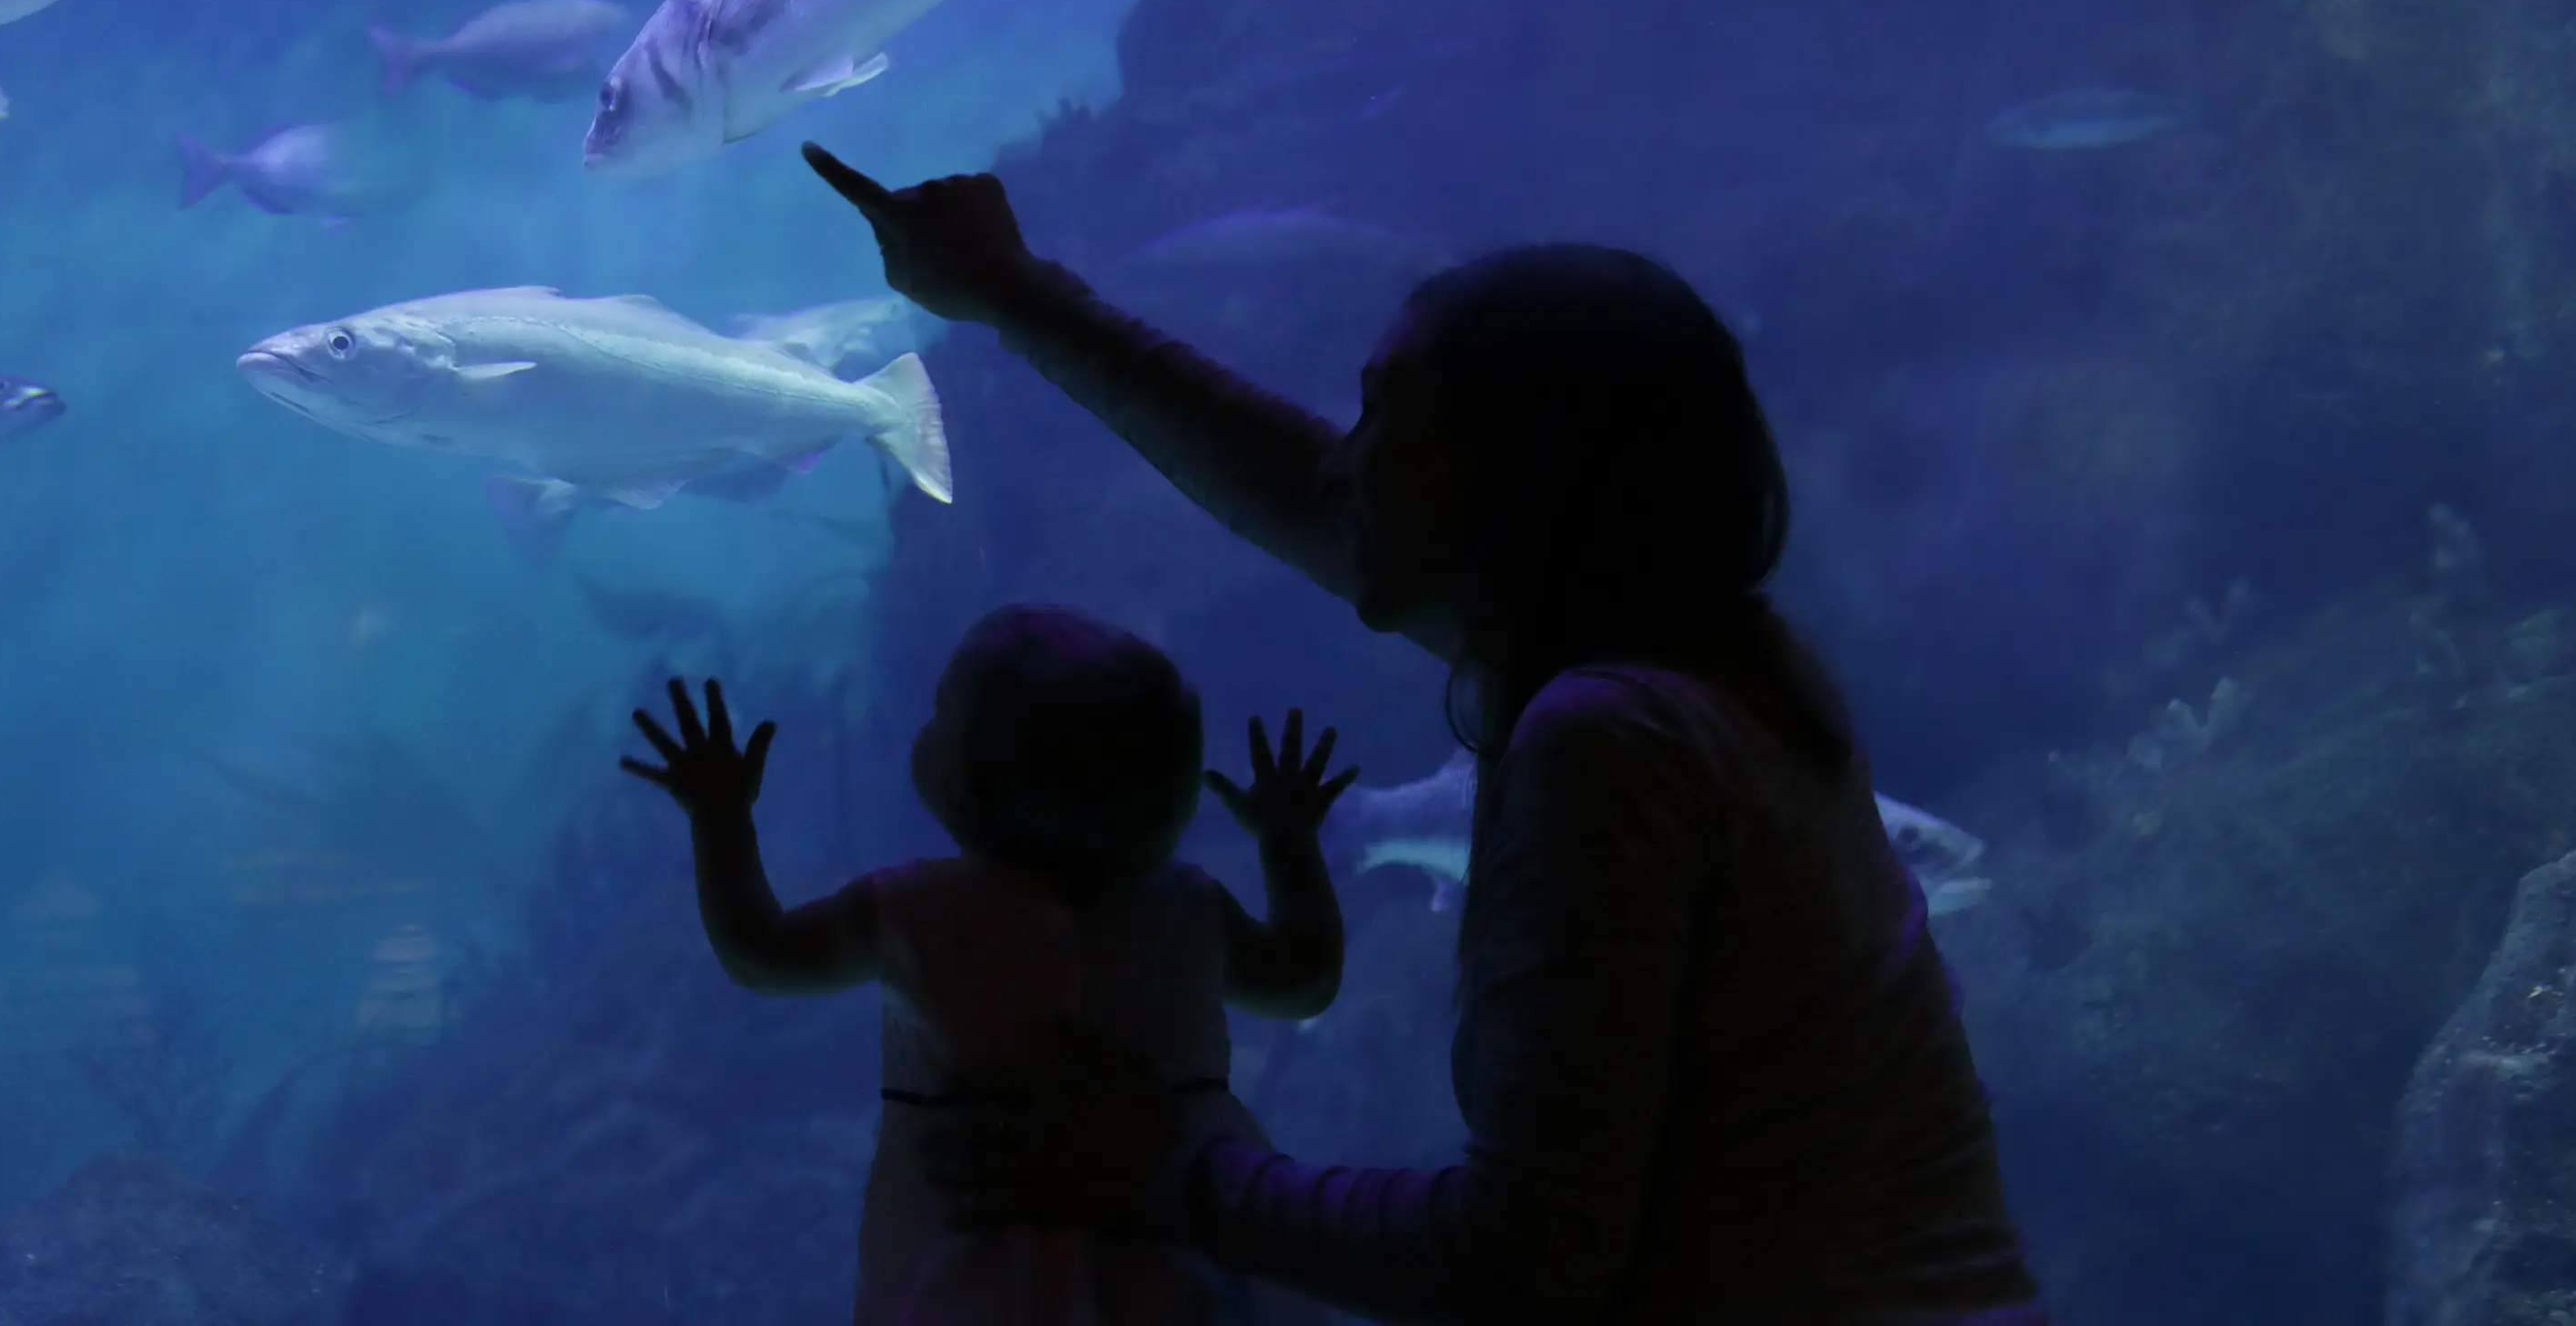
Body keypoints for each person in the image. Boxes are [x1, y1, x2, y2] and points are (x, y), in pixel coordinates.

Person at [799, 141, 2051, 1326]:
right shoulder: (1718, 669)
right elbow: (1304, 491)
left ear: (1523, 478)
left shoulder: (1607, 743)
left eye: (1386, 414)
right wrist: (1017, 293)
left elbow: (1523, 1255)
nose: (1349, 458)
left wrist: (1163, 1166)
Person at [620, 606, 1354, 1325]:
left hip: (965, 1281)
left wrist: (721, 818)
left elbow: (762, 955)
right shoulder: (1190, 910)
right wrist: (1288, 843)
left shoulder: (916, 911)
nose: (923, 722)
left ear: (973, 782)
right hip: (1177, 1273)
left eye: (940, 711)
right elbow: (1304, 980)